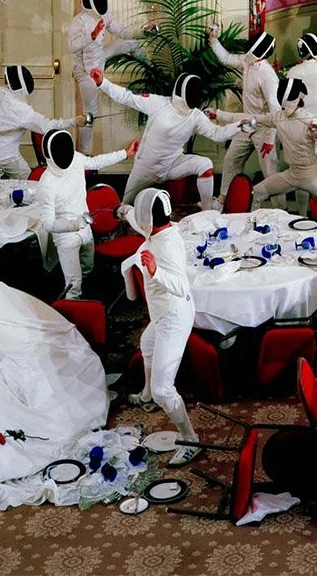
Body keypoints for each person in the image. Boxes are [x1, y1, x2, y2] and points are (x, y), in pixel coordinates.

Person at [120, 187, 201, 468]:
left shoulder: (165, 246)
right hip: (162, 314)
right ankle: (146, 395)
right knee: (147, 345)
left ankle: (191, 439)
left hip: (174, 317)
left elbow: (181, 285)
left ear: (150, 220)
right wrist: (125, 210)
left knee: (164, 390)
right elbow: (137, 220)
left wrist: (155, 271)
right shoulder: (158, 230)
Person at [90, 68, 248, 208]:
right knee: (125, 206)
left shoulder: (195, 116)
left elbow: (217, 134)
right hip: (145, 169)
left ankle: (207, 212)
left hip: (172, 165)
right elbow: (127, 97)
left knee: (205, 164)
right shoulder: (158, 103)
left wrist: (239, 126)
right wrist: (102, 83)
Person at [37, 129, 136, 299]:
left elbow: (97, 161)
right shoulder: (46, 184)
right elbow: (47, 224)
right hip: (66, 237)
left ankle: (89, 302)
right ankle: (72, 315)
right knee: (73, 283)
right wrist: (73, 225)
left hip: (85, 228)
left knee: (88, 269)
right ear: (50, 155)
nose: (66, 154)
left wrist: (125, 153)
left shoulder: (75, 158)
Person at [245, 77, 317, 217]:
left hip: (312, 177)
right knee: (255, 193)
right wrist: (219, 115)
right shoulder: (278, 117)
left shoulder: (310, 121)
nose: (285, 109)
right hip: (291, 175)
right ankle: (253, 230)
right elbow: (255, 119)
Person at [0, 58, 85, 179]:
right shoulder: (21, 109)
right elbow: (46, 126)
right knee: (30, 181)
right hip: (6, 157)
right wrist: (74, 121)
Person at [68, 0, 142, 152]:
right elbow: (72, 46)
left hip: (100, 57)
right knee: (90, 113)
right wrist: (91, 36)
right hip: (85, 72)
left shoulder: (104, 15)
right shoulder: (78, 22)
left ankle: (151, 68)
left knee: (130, 42)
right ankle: (84, 154)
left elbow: (123, 32)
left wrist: (144, 31)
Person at [206, 27, 280, 193]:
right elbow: (226, 58)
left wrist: (269, 139)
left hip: (264, 128)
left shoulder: (268, 77)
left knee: (270, 172)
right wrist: (213, 40)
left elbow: (275, 110)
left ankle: (280, 208)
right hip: (247, 124)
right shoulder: (248, 61)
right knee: (231, 161)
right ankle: (223, 200)